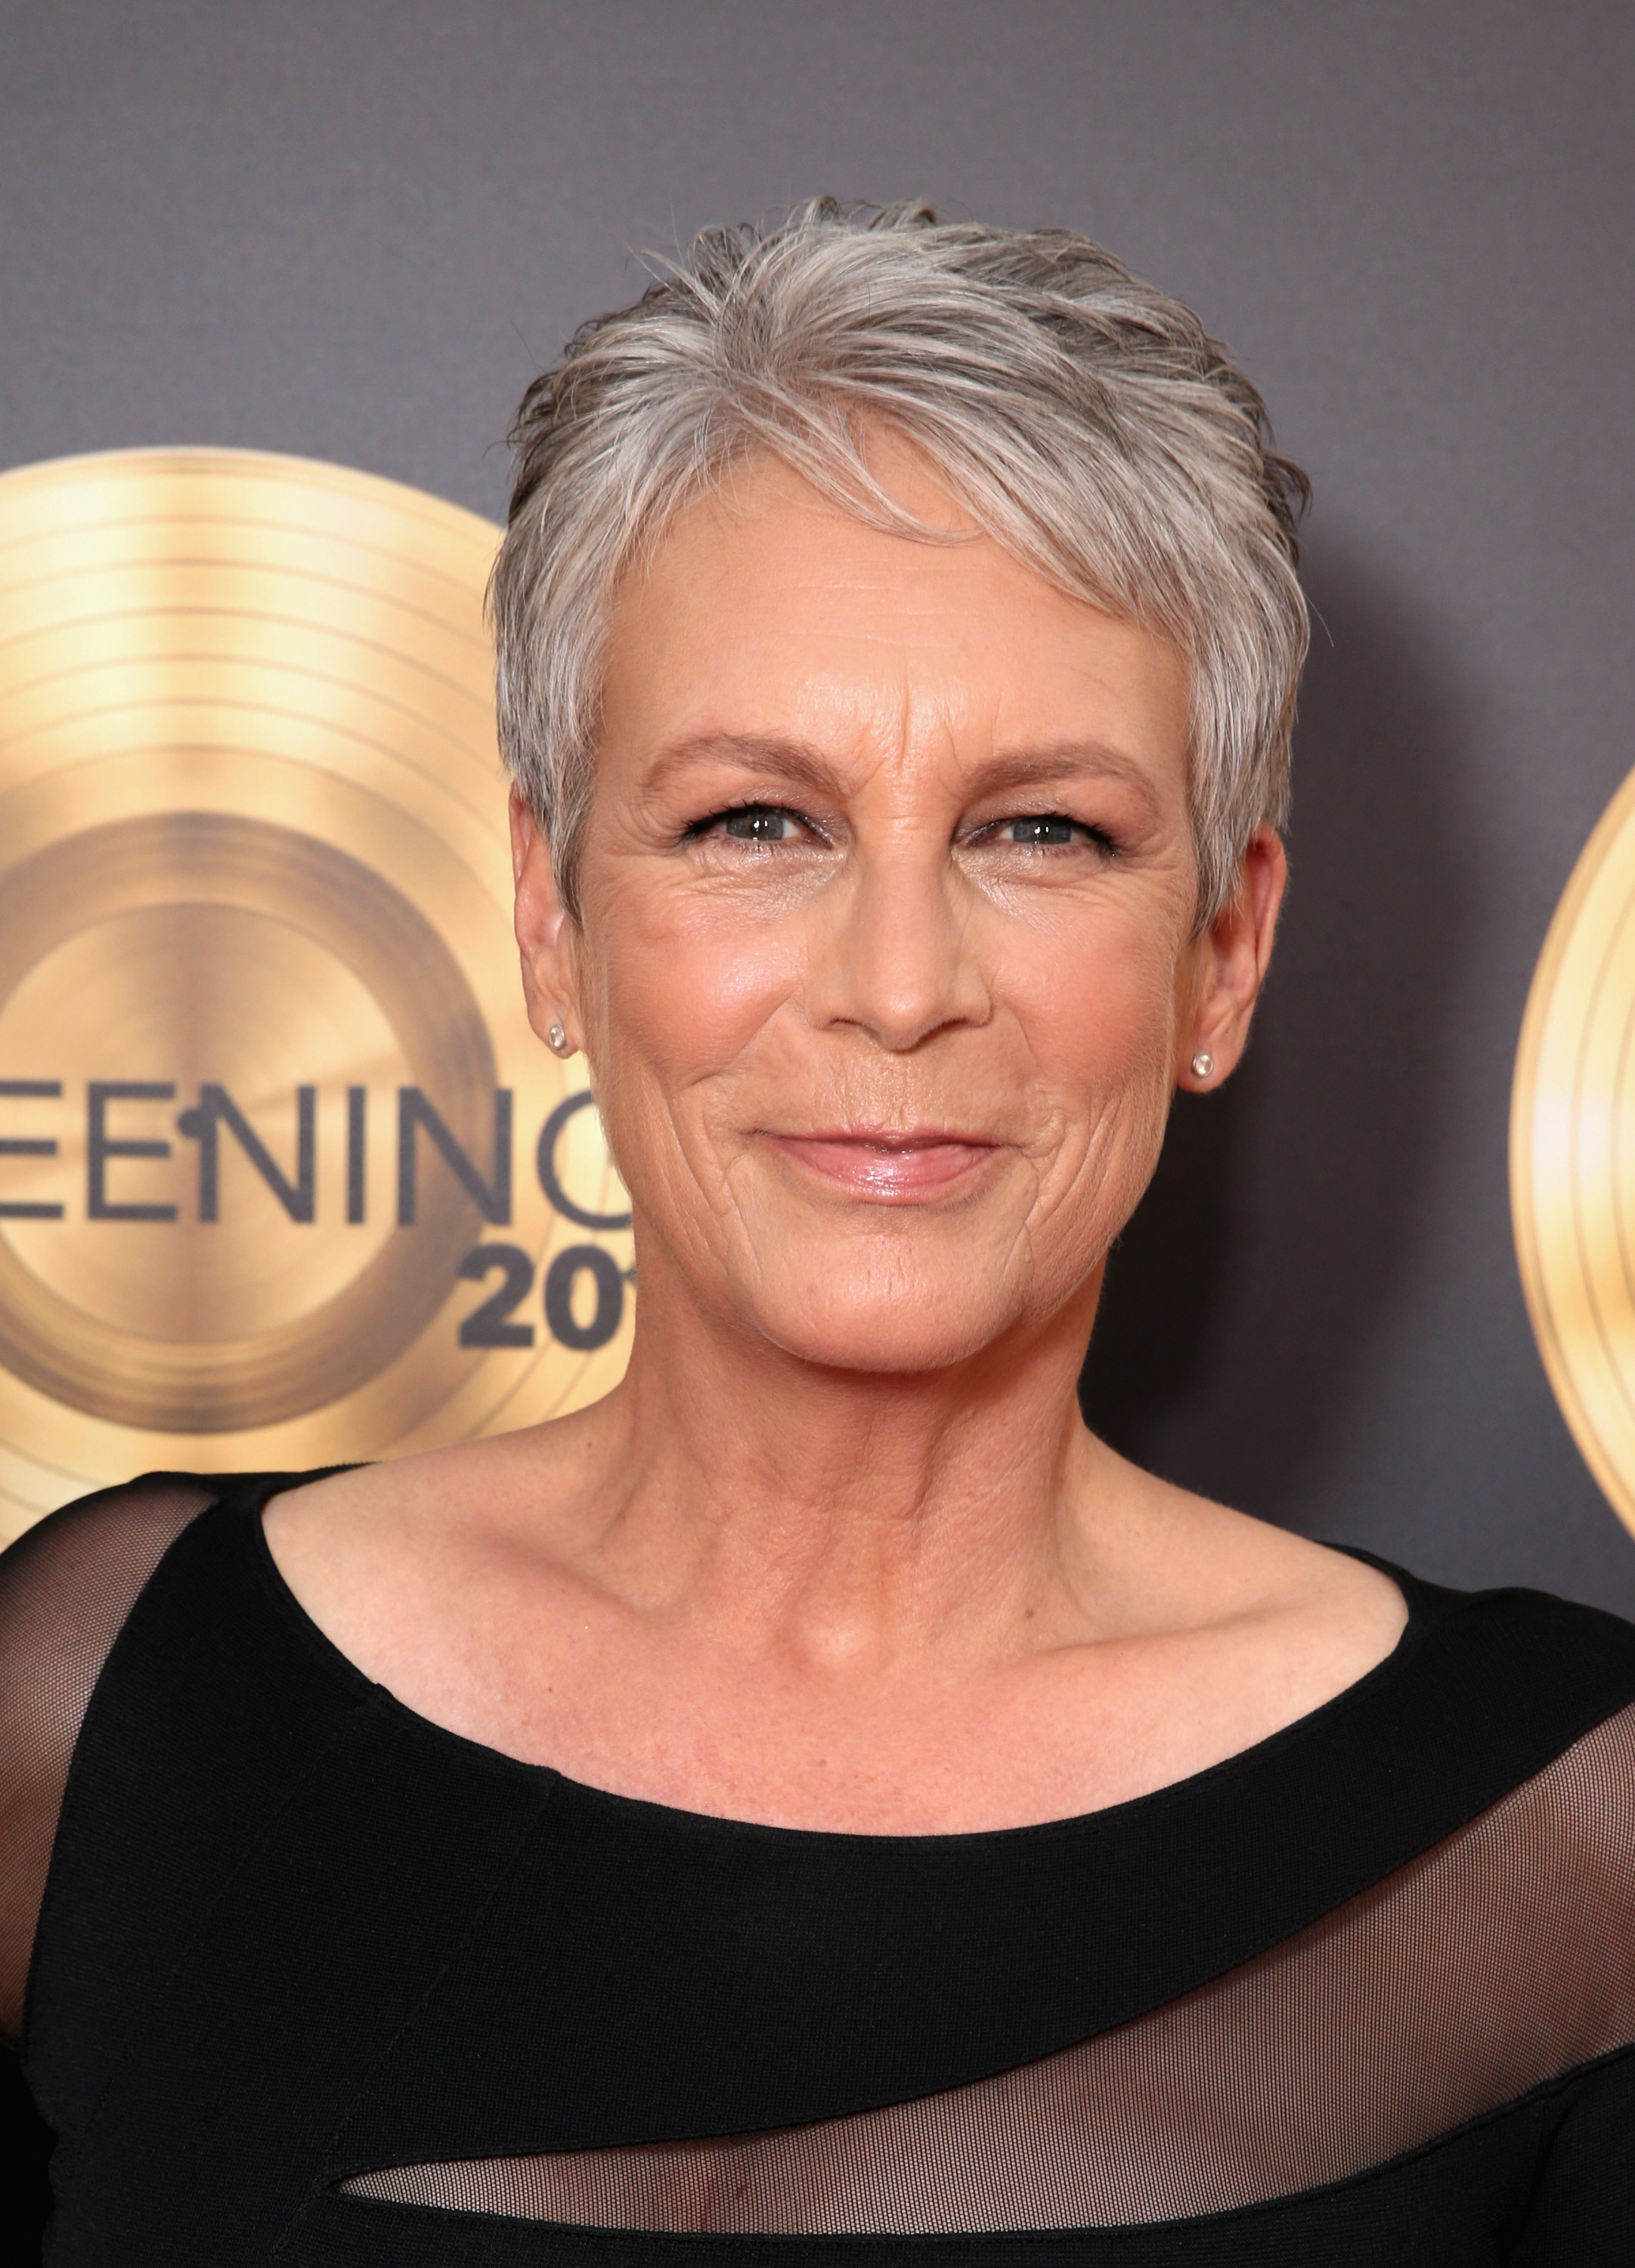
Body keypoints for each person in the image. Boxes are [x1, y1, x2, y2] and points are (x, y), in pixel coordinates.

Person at [2, 200, 1632, 2266]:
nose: (893, 979)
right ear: (548, 921)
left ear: (1222, 953)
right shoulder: (104, 1695)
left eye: (1042, 831)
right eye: (751, 821)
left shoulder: (1565, 1841)